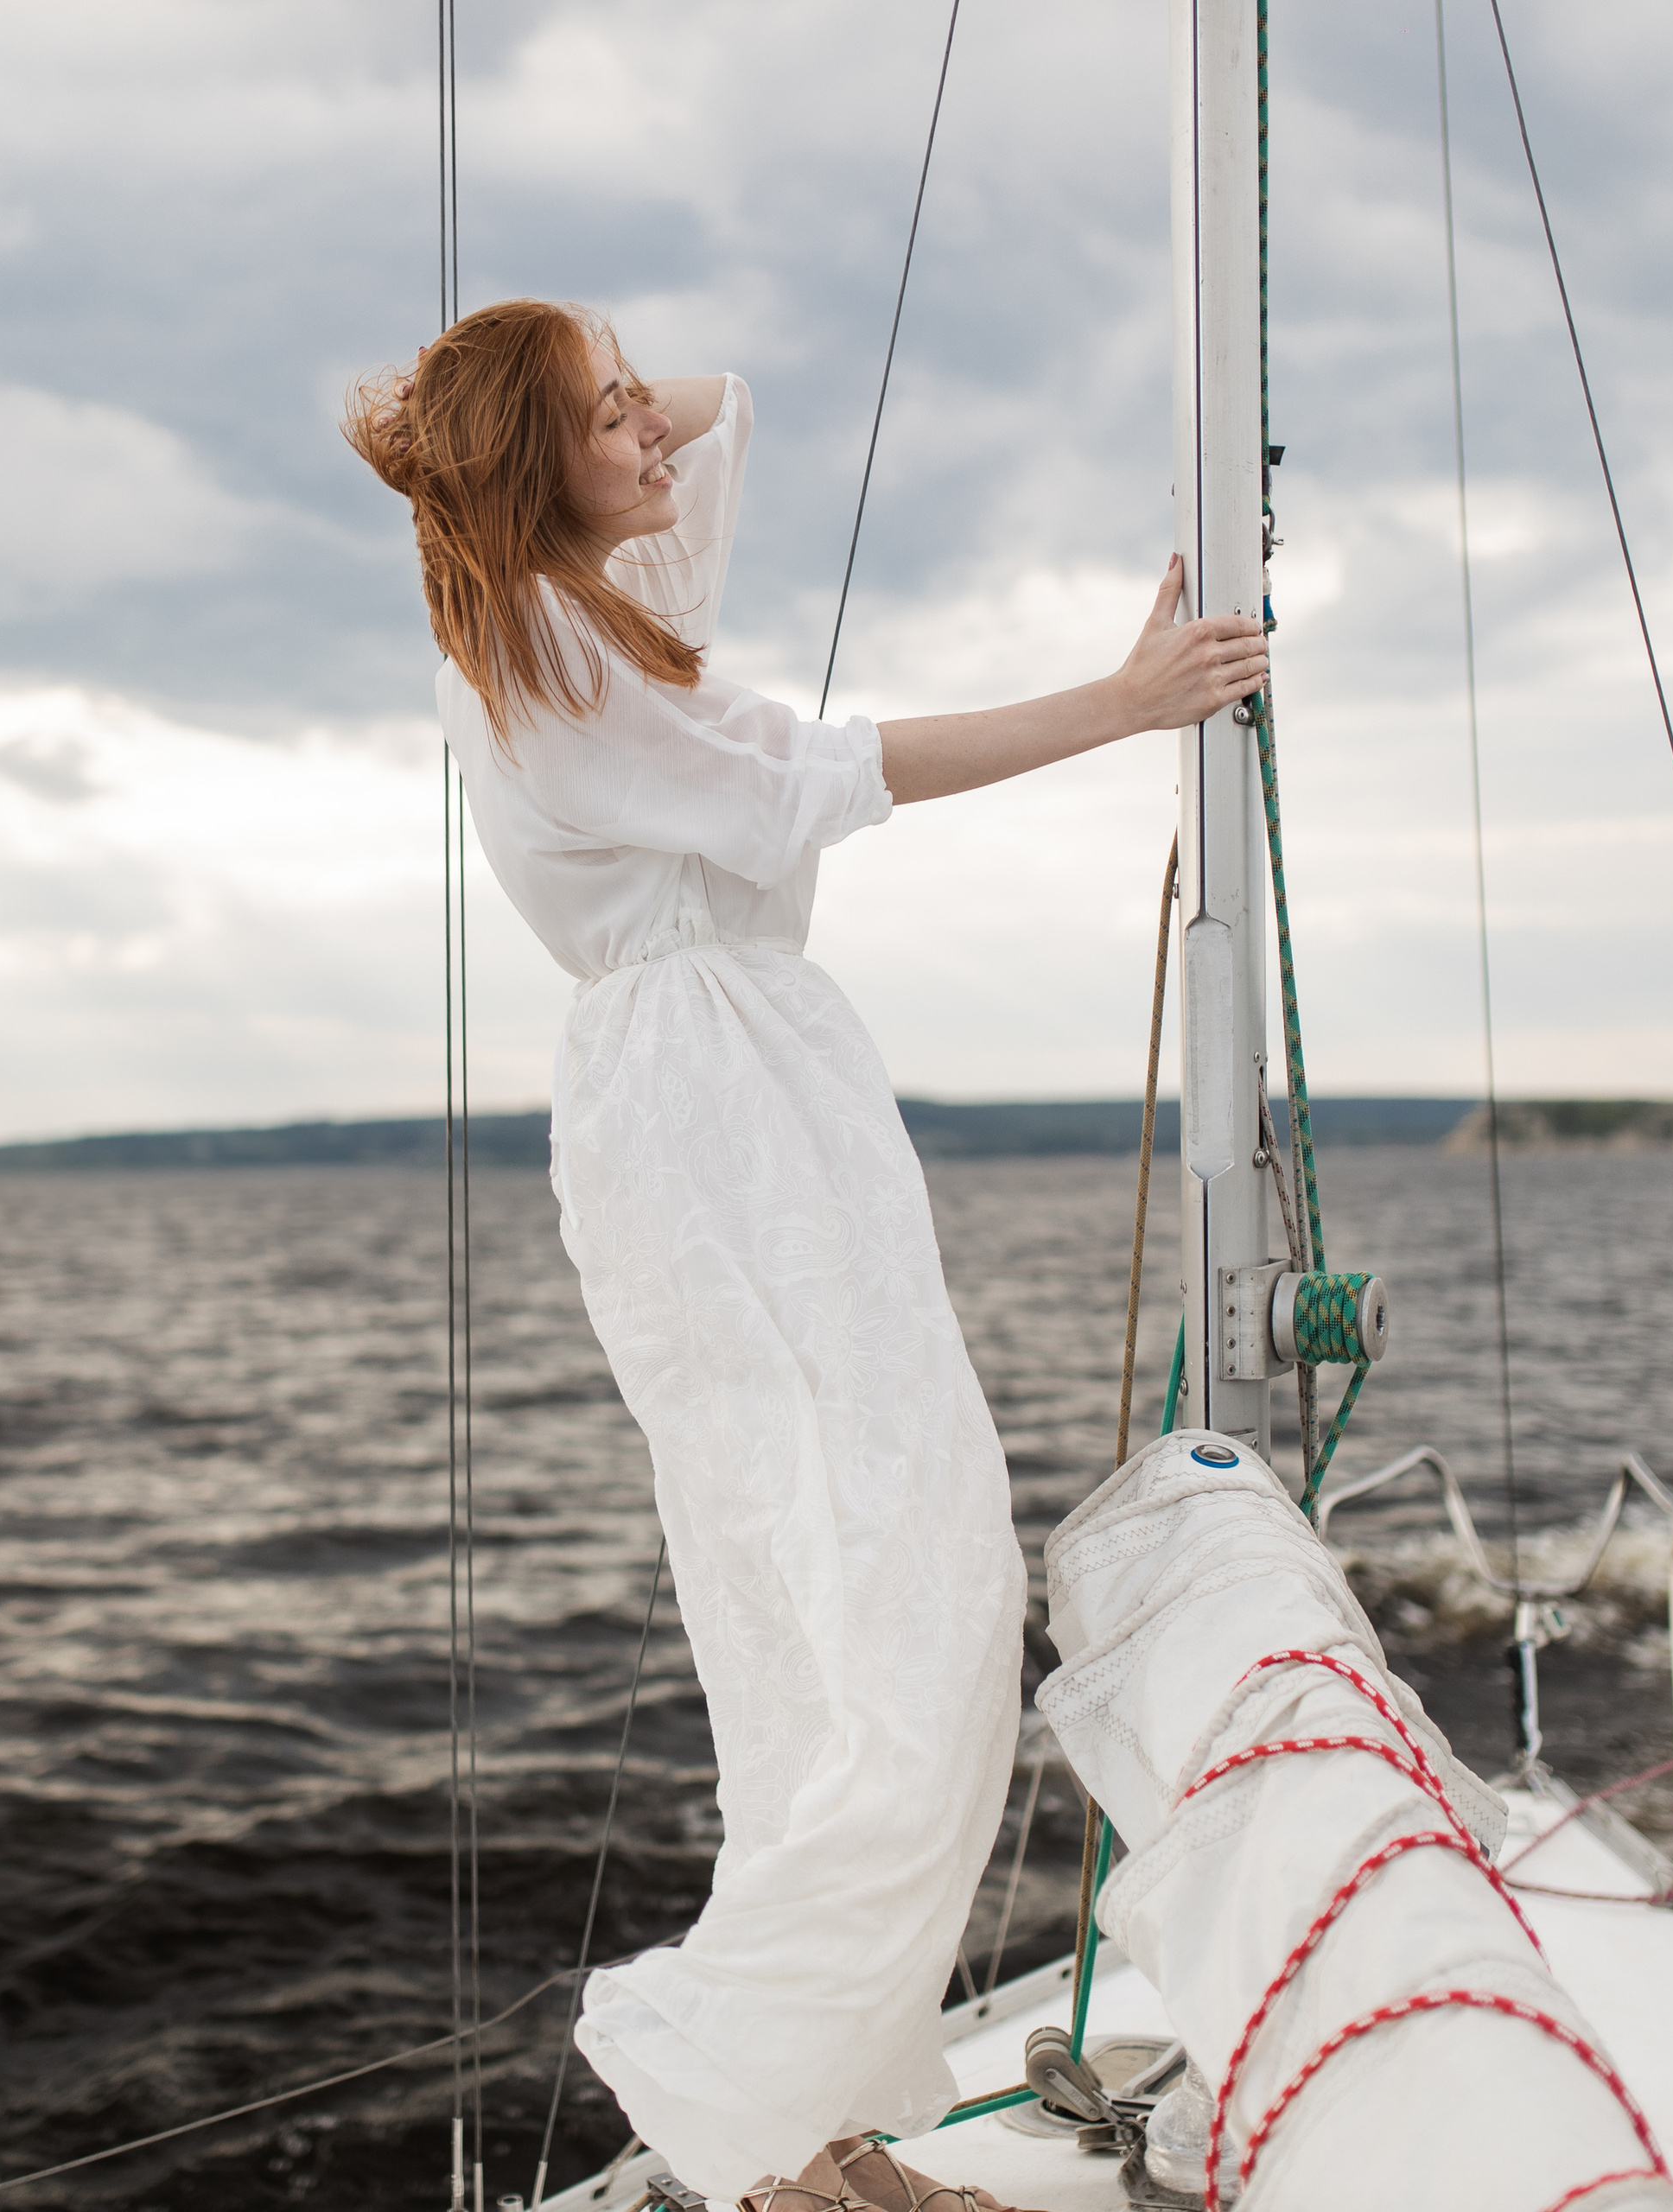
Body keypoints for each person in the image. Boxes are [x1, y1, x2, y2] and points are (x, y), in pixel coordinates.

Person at [343, 298, 1267, 2211]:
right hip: (715, 1120)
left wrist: (561, 382)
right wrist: (1118, 701)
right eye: (606, 417)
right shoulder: (545, 658)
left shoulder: (567, 603)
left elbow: (721, 404)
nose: (650, 428)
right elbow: (831, 772)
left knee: (843, 1612)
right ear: (538, 466)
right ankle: (767, 2111)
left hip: (739, 1097)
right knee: (889, 1604)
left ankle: (815, 2134)